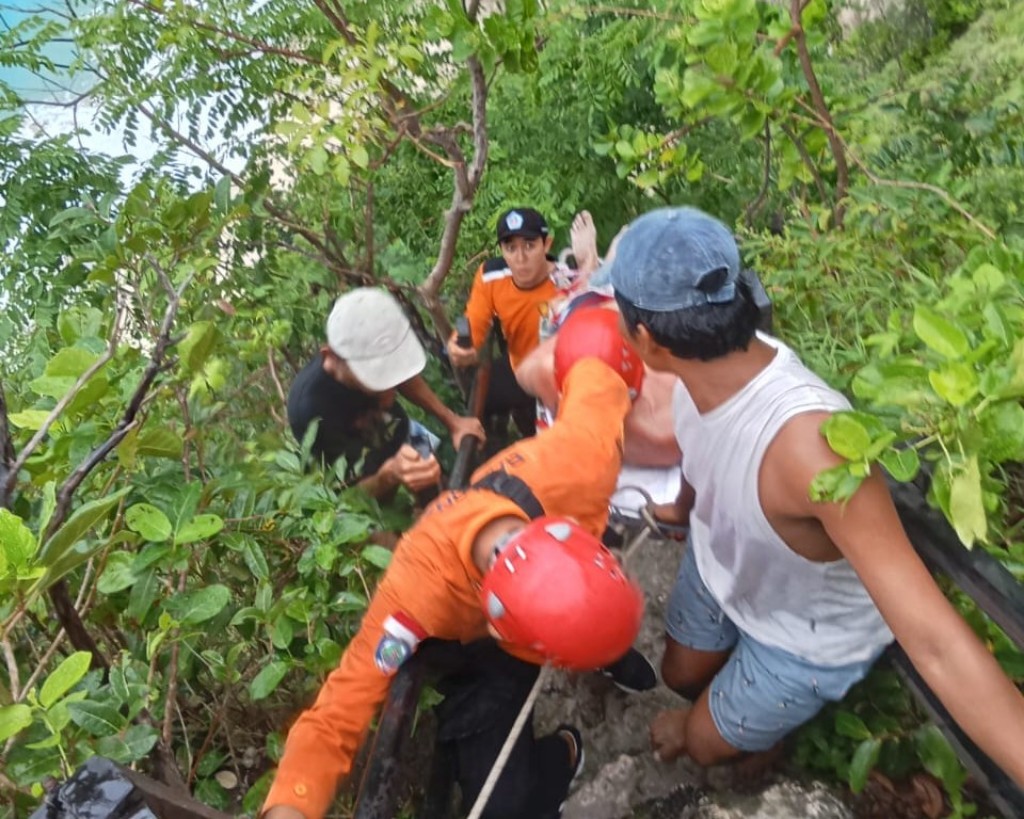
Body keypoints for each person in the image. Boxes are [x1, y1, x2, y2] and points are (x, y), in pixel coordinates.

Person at [605, 206, 1024, 786]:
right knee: (679, 674)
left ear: (647, 339)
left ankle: (751, 742)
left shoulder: (811, 448)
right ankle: (729, 716)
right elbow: (703, 458)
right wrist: (680, 510)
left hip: (807, 634)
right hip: (725, 552)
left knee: (698, 743)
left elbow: (937, 644)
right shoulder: (699, 378)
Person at [262, 321, 656, 819]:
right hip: (485, 652)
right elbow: (339, 712)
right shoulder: (415, 594)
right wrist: (289, 808)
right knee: (503, 809)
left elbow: (596, 362)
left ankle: (605, 646)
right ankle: (564, 752)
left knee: (595, 619)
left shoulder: (579, 462)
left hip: (559, 585)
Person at [287, 287, 484, 499]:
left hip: (407, 434)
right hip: (375, 481)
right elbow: (344, 499)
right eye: (375, 377)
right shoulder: (310, 414)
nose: (389, 397)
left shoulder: (370, 356)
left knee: (442, 483)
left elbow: (404, 377)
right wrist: (390, 476)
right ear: (331, 357)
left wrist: (452, 421)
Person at [445, 207, 577, 435]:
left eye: (529, 246)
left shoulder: (567, 283)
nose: (520, 258)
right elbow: (472, 321)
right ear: (502, 250)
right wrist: (459, 345)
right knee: (475, 401)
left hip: (562, 378)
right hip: (519, 370)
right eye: (511, 248)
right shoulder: (491, 276)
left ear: (546, 245)